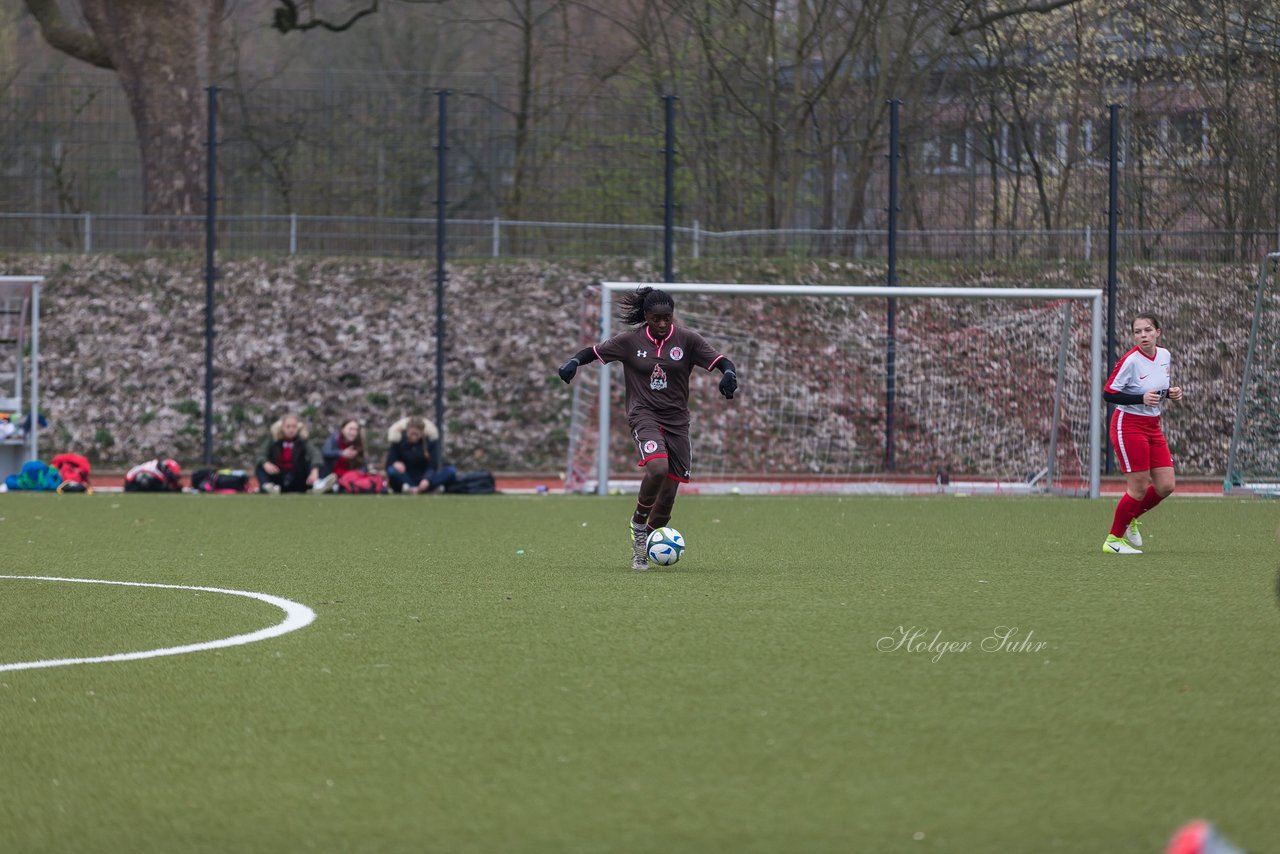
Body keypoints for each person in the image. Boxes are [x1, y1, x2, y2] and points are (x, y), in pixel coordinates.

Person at [557, 285, 738, 570]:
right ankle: (638, 526)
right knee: (657, 468)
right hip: (644, 415)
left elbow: (721, 361)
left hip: (678, 421)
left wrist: (728, 373)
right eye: (657, 319)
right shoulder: (630, 342)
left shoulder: (687, 340)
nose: (663, 324)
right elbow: (593, 351)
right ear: (646, 317)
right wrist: (573, 363)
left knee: (667, 499)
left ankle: (647, 543)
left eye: (668, 317)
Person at [1101, 312, 1183, 554]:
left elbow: (1156, 388)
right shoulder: (1130, 360)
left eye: (1147, 330)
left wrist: (1170, 393)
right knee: (1138, 486)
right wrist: (1139, 398)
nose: (1143, 335)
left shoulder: (1165, 355)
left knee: (1166, 486)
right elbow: (1109, 393)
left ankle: (1130, 518)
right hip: (1128, 425)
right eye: (1138, 332)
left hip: (1152, 425)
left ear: (1158, 332)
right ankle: (1113, 541)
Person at [385, 416, 457, 494]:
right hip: (407, 476)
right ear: (407, 431)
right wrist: (396, 464)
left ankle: (420, 489)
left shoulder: (430, 442)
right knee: (392, 471)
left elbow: (433, 465)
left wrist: (426, 479)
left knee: (450, 471)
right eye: (411, 434)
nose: (414, 437)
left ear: (422, 433)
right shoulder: (399, 441)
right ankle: (415, 488)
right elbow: (389, 463)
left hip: (425, 476)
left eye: (416, 435)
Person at [255, 412, 322, 494]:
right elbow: (261, 454)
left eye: (294, 427)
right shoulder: (273, 439)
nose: (291, 430)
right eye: (288, 427)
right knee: (260, 467)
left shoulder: (302, 440)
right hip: (278, 475)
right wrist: (266, 463)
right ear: (282, 427)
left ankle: (317, 485)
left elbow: (315, 454)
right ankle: (268, 486)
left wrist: (314, 470)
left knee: (314, 465)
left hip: (297, 476)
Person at [316, 417, 367, 493]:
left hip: (349, 475)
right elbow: (325, 453)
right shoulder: (334, 439)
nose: (353, 432)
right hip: (332, 473)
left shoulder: (358, 444)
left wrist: (361, 473)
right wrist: (342, 453)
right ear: (343, 429)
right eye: (351, 429)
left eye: (356, 430)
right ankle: (326, 484)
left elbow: (363, 464)